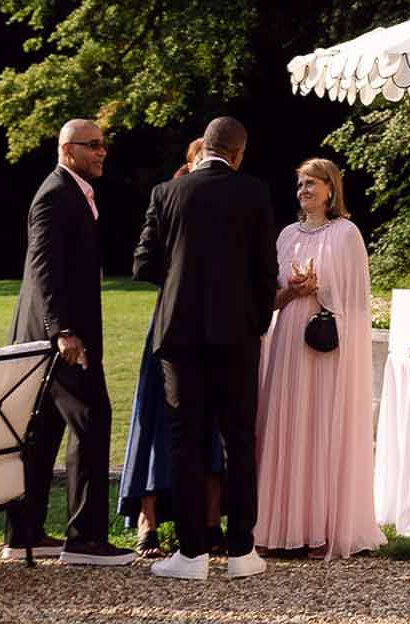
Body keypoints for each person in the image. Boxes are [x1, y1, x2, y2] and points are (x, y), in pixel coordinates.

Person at [133, 114, 278, 583]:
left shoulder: (165, 193)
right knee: (239, 439)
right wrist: (258, 321)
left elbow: (142, 264)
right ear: (237, 153)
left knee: (186, 441)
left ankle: (191, 554)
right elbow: (264, 270)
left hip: (180, 336)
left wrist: (179, 282)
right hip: (237, 335)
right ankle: (241, 551)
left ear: (203, 149)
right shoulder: (254, 192)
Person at [3, 117, 134, 569]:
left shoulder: (73, 192)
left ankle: (25, 532)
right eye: (92, 145)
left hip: (52, 335)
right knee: (93, 421)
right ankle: (86, 539)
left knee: (44, 432)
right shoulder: (56, 195)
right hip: (58, 337)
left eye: (103, 144)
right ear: (67, 149)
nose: (102, 151)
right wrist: (62, 330)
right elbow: (42, 267)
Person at [253, 157, 383, 559]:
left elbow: (357, 303)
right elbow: (269, 298)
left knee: (320, 428)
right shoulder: (286, 235)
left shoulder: (347, 235)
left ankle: (323, 527)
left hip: (328, 344)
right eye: (301, 184)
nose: (305, 190)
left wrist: (319, 290)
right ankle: (280, 527)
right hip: (289, 337)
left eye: (312, 183)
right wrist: (294, 291)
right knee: (286, 426)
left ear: (331, 188)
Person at [117, 140, 224, 557]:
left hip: (212, 326)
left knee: (213, 422)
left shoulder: (226, 206)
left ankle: (211, 522)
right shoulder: (171, 195)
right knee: (157, 417)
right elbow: (144, 262)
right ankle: (148, 521)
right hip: (172, 323)